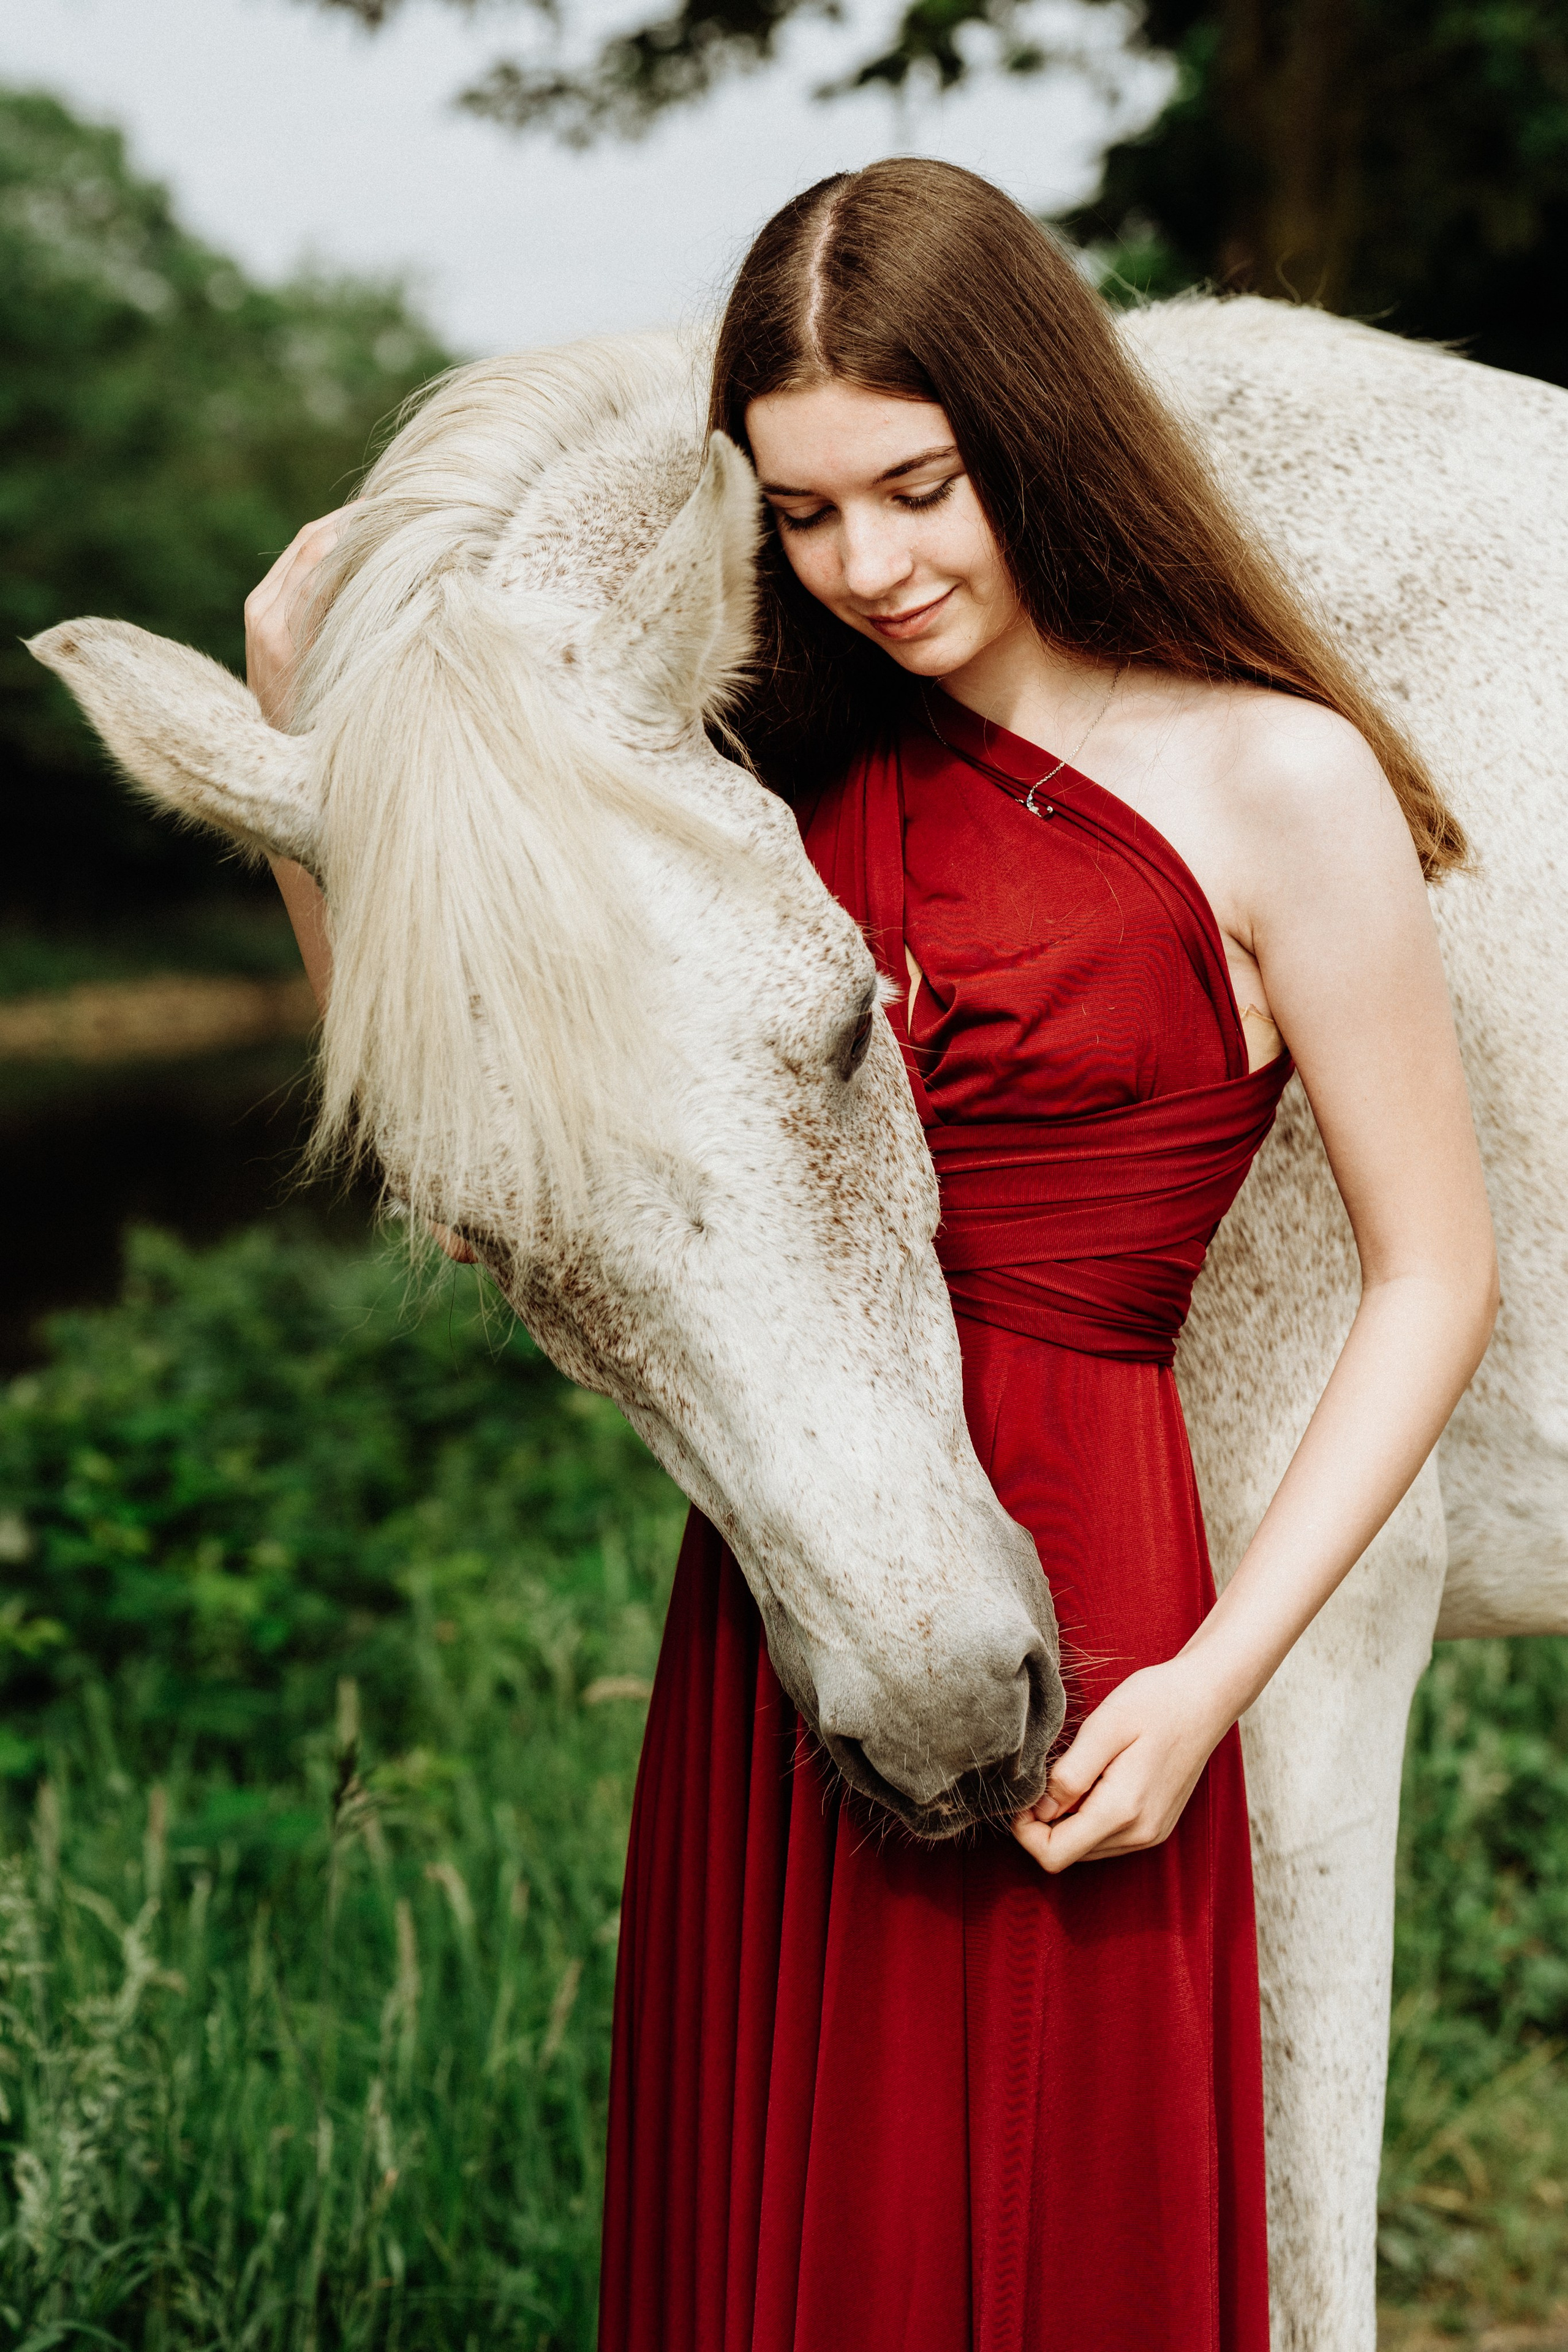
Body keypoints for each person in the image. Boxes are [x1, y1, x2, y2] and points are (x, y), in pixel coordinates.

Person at [247, 160, 1497, 2352]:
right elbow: (471, 1179)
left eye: (921, 490)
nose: (871, 568)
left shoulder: (1275, 779)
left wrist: (1211, 1683)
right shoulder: (759, 789)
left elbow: (1432, 1275)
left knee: (1042, 2222)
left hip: (1094, 1600)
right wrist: (316, 728)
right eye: (807, 514)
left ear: (1037, 430)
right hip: (790, 1592)